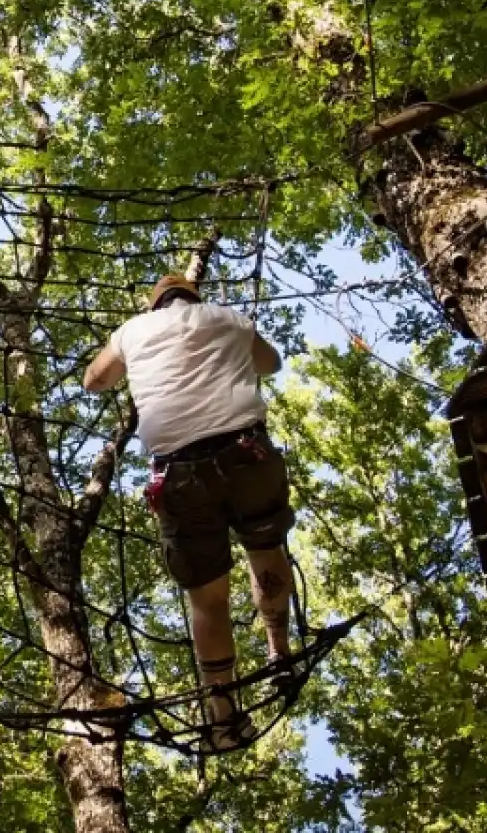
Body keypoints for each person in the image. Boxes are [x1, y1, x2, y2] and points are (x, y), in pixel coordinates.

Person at [83, 273, 292, 751]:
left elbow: (95, 380)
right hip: (247, 454)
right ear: (193, 298)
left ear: (155, 304)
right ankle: (279, 649)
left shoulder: (132, 330)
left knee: (208, 599)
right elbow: (271, 363)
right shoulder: (229, 317)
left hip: (180, 474)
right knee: (266, 549)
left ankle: (223, 714)